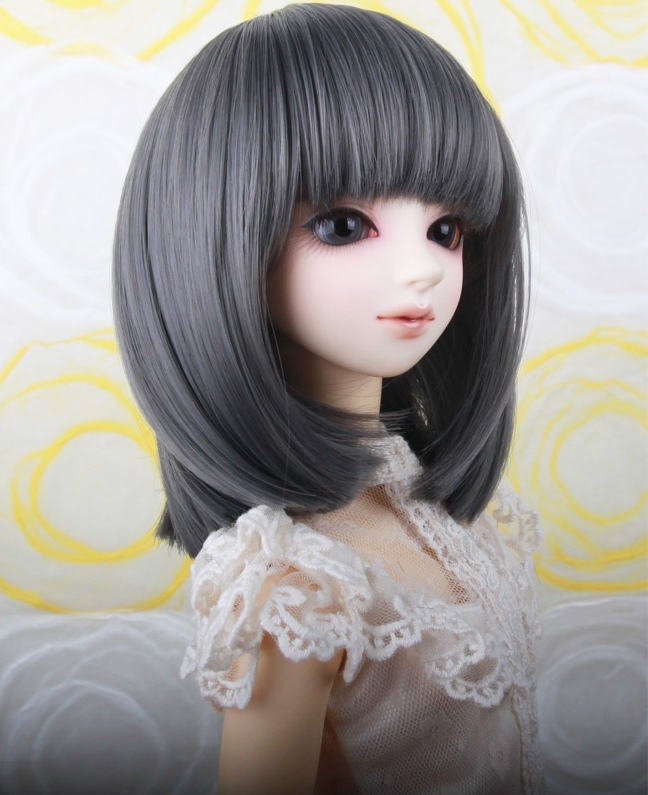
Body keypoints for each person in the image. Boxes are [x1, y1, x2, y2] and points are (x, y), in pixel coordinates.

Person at [113, 4, 543, 793]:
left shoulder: (433, 507)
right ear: (220, 240)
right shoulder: (292, 579)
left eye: (446, 230)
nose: (423, 269)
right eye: (344, 226)